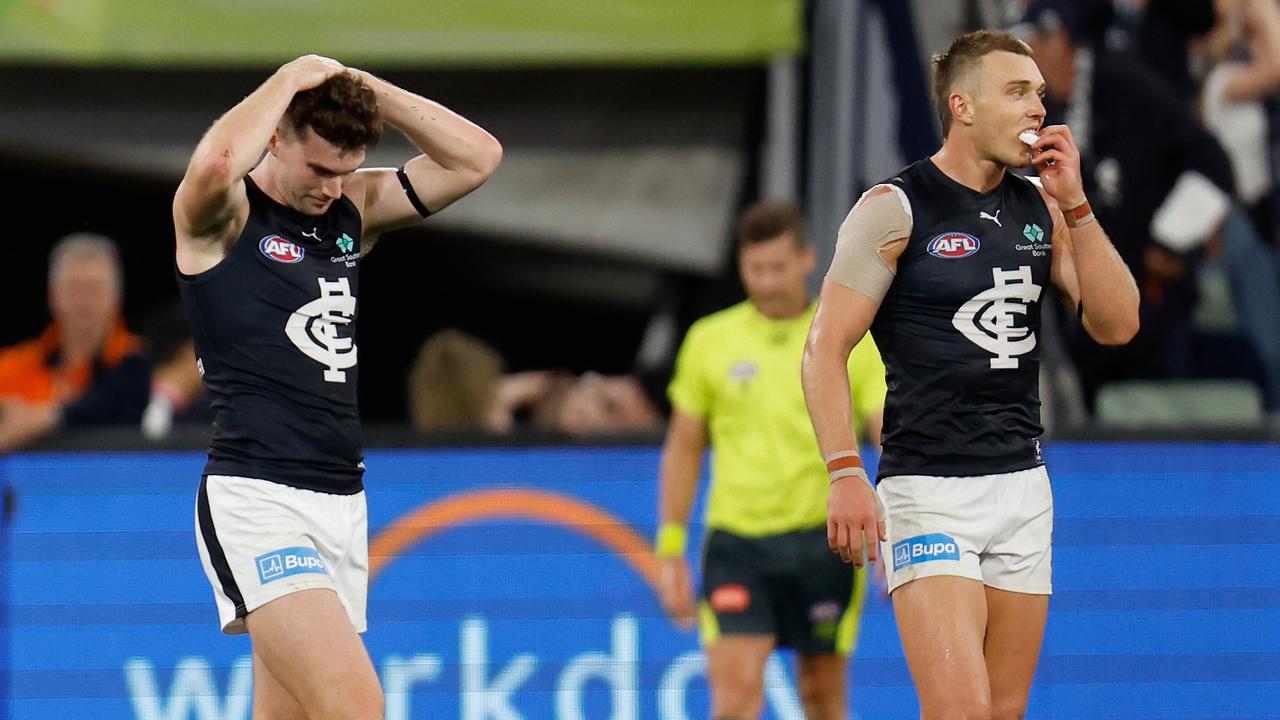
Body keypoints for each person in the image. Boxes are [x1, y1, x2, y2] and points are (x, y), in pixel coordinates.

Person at [802, 31, 1139, 719]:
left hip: (1021, 488)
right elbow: (824, 348)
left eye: (1041, 94)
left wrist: (1076, 204)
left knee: (1004, 712)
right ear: (963, 105)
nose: (1038, 108)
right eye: (1018, 92)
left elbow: (1118, 324)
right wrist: (843, 471)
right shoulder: (894, 209)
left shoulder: (1041, 209)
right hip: (928, 490)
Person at [173, 55, 501, 719]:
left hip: (341, 503)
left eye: (345, 171)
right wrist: (291, 78)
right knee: (356, 706)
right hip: (258, 497)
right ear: (274, 136)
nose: (331, 187)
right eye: (318, 168)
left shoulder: (349, 212)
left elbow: (479, 158)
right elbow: (212, 165)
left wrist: (370, 89)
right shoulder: (225, 218)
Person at [656, 201, 886, 720]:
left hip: (825, 540)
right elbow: (684, 448)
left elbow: (885, 434)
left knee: (823, 698)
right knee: (735, 701)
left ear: (808, 260)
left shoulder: (849, 340)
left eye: (778, 268)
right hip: (738, 544)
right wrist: (670, 547)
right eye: (754, 269)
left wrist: (897, 533)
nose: (766, 282)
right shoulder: (709, 340)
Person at [0, 232, 150, 450]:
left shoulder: (133, 361)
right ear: (52, 296)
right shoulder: (14, 366)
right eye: (73, 287)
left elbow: (121, 402)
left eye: (95, 288)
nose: (83, 301)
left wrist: (41, 419)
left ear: (117, 297)